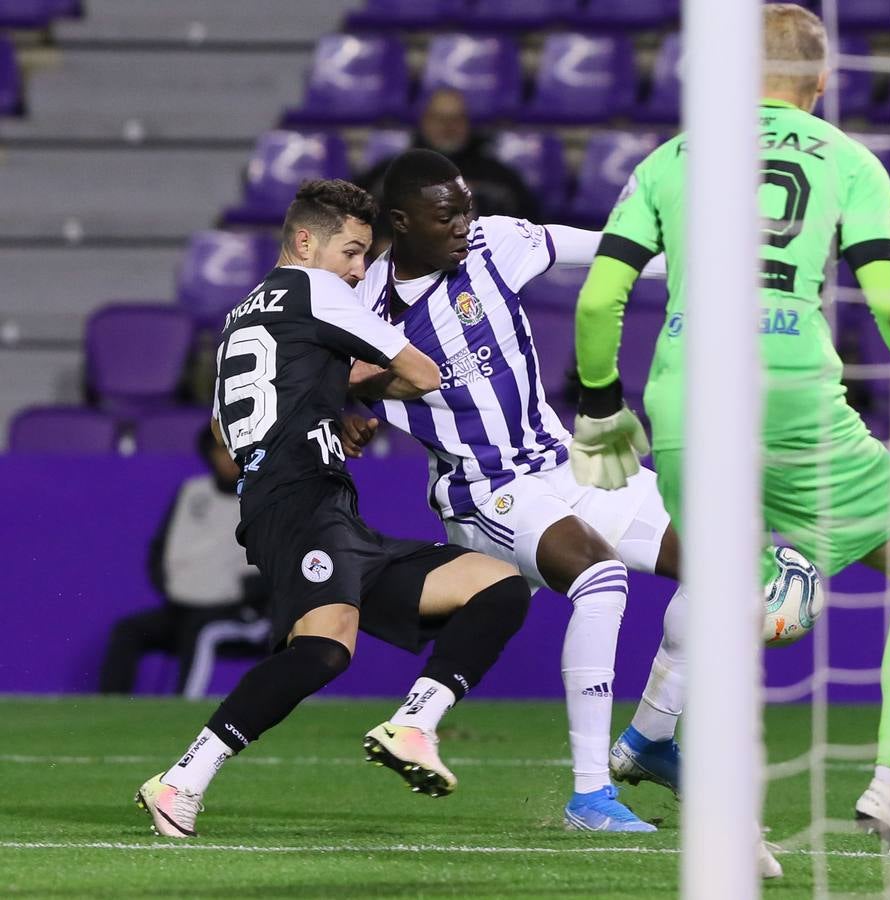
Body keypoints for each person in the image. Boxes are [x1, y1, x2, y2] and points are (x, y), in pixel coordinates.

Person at [570, 3, 890, 871]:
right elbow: (887, 297)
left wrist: (601, 407)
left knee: (719, 605)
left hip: (684, 393)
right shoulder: (848, 158)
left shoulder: (667, 160)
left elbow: (595, 299)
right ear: (821, 82)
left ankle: (730, 808)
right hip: (792, 390)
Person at [343, 149, 785, 876]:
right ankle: (590, 792)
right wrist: (344, 405)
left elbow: (615, 255)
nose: (464, 223)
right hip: (484, 492)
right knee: (602, 580)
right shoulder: (367, 308)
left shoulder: (495, 245)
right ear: (401, 221)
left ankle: (648, 739)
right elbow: (323, 374)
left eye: (466, 207)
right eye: (447, 213)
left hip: (567, 464)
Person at [135, 179, 531, 838]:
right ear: (304, 241)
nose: (357, 269)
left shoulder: (240, 319)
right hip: (301, 502)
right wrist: (370, 389)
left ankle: (416, 721)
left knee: (497, 587)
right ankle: (182, 780)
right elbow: (422, 372)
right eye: (350, 251)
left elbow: (227, 434)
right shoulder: (313, 290)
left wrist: (327, 412)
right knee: (322, 651)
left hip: (307, 503)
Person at [99, 427, 269, 697]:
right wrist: (169, 583)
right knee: (127, 631)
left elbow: (282, 562)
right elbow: (161, 547)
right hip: (182, 609)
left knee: (202, 632)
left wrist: (253, 595)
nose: (228, 458)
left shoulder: (268, 496)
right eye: (220, 451)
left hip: (243, 615)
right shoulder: (192, 491)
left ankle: (182, 711)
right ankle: (105, 711)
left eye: (236, 450)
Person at [354, 87, 539, 252]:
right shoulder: (389, 175)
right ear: (424, 121)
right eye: (439, 118)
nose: (447, 126)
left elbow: (531, 232)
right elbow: (354, 221)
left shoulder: (500, 179)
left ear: (467, 123)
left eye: (455, 118)